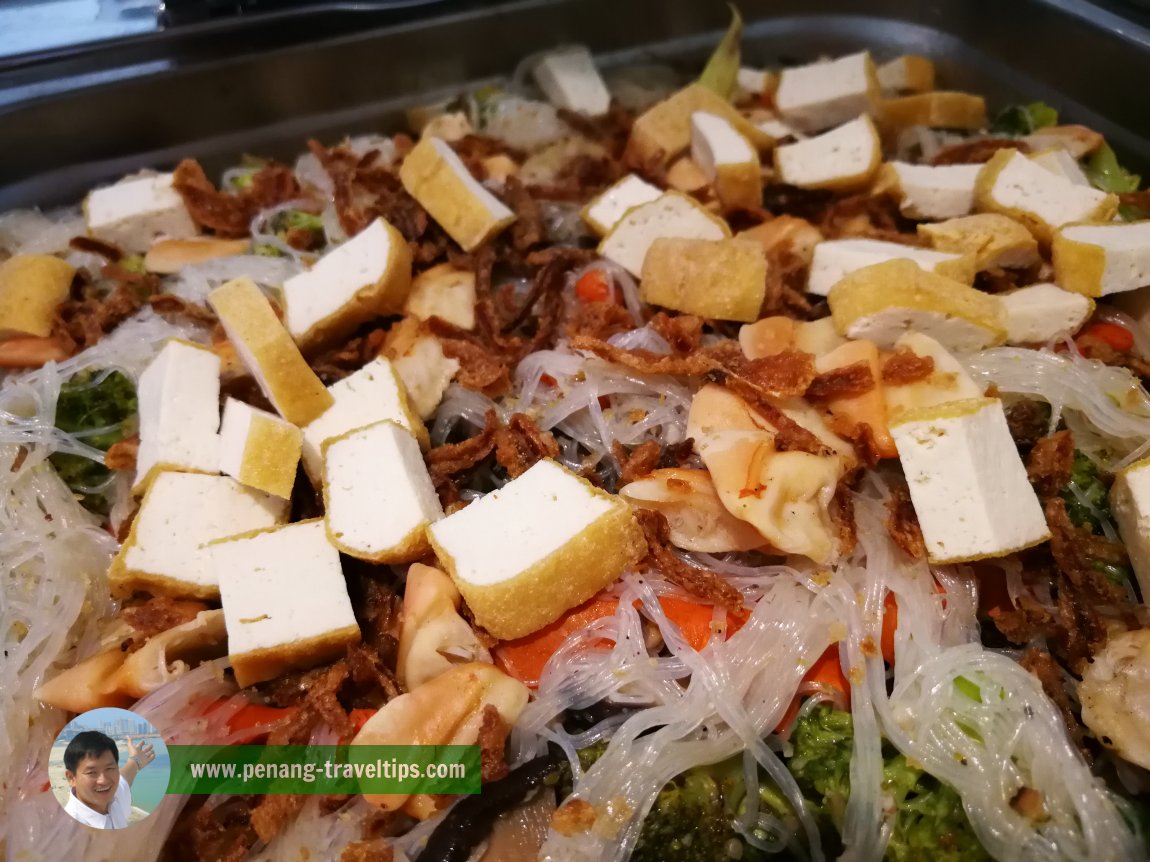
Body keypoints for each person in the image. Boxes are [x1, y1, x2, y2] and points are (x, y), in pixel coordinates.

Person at [62, 730, 156, 829]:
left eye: (109, 768)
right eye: (92, 772)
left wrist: (136, 760)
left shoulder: (114, 797)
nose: (103, 780)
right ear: (71, 778)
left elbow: (125, 777)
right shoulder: (69, 829)